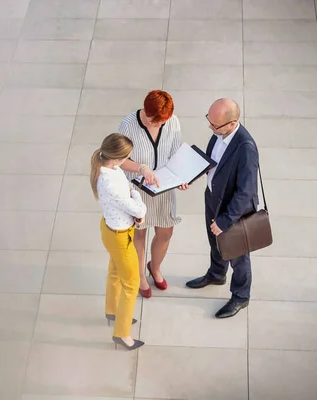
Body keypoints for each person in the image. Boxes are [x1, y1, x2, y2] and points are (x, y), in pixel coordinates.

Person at [186, 98, 259, 319]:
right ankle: (217, 274)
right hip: (213, 199)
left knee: (238, 255)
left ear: (232, 123)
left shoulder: (245, 148)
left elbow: (245, 192)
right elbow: (212, 161)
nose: (210, 127)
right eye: (209, 120)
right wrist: (189, 177)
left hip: (233, 211)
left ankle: (240, 296)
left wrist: (225, 221)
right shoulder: (220, 133)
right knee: (214, 241)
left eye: (215, 124)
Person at [118, 90, 188, 299]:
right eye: (153, 121)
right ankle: (140, 274)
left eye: (161, 123)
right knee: (140, 232)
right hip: (138, 188)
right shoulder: (128, 125)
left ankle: (154, 267)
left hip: (164, 187)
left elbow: (176, 154)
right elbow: (119, 159)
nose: (157, 125)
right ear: (146, 111)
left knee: (166, 232)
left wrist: (182, 177)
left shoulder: (172, 121)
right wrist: (142, 168)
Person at [91, 133, 147, 351]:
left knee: (115, 271)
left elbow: (130, 190)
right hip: (119, 236)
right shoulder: (109, 181)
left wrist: (133, 194)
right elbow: (138, 207)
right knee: (131, 284)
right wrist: (138, 200)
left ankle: (112, 311)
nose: (128, 160)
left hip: (112, 230)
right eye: (126, 157)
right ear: (116, 158)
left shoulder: (111, 168)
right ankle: (122, 334)